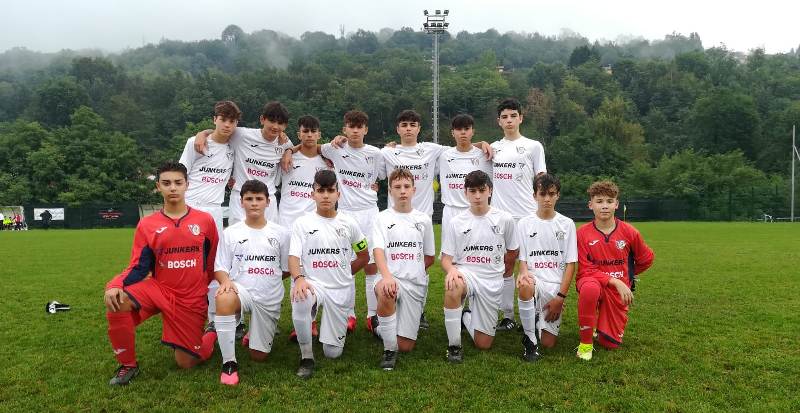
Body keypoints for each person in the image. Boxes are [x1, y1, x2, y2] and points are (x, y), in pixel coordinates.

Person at [103, 161, 219, 385]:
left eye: (178, 182)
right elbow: (138, 266)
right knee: (117, 301)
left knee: (187, 362)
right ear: (158, 187)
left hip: (190, 297)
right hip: (159, 289)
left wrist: (202, 292)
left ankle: (211, 332)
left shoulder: (205, 220)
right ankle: (128, 365)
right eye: (166, 183)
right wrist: (115, 284)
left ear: (187, 185)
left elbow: (212, 261)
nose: (173, 188)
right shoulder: (147, 224)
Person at [284, 110, 384, 334]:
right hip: (346, 212)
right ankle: (348, 314)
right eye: (351, 126)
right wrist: (290, 149)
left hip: (370, 213)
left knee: (370, 265)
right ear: (344, 129)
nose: (355, 131)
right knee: (344, 264)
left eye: (359, 127)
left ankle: (372, 316)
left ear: (366, 130)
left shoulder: (377, 154)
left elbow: (384, 175)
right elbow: (312, 145)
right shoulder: (335, 148)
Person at [289, 170, 369, 379]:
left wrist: (345, 273)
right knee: (301, 297)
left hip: (340, 290)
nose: (325, 195)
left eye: (330, 191)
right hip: (314, 284)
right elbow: (293, 257)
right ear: (312, 194)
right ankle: (306, 357)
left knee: (333, 353)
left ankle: (329, 330)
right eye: (321, 190)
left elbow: (364, 255)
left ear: (338, 194)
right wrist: (299, 279)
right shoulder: (302, 223)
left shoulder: (349, 223)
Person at [209, 179, 290, 385]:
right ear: (241, 201)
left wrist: (268, 278)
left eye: (259, 199)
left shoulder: (281, 233)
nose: (254, 203)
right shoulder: (230, 232)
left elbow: (286, 268)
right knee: (224, 297)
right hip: (240, 291)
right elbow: (220, 267)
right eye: (249, 198)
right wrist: (226, 281)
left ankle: (253, 333)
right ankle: (229, 363)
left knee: (259, 356)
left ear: (268, 202)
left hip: (269, 296)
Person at [440, 170, 519, 363]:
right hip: (466, 274)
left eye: (482, 190)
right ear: (465, 193)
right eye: (472, 191)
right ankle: (454, 346)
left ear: (490, 191)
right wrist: (452, 270)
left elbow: (513, 251)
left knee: (483, 344)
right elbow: (445, 259)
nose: (477, 196)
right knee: (453, 285)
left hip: (491, 281)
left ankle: (465, 316)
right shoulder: (456, 222)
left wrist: (503, 271)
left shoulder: (505, 219)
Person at [575, 180, 655, 361]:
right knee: (590, 289)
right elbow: (586, 269)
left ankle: (599, 326)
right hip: (591, 280)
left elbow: (647, 259)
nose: (604, 206)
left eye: (609, 201)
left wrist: (628, 276)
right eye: (599, 201)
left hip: (617, 290)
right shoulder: (582, 234)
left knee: (609, 343)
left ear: (616, 204)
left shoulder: (630, 232)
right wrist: (615, 281)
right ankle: (585, 344)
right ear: (590, 204)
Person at [178, 100, 238, 332]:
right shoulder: (195, 143)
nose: (227, 125)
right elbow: (180, 174)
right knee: (189, 263)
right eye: (223, 120)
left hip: (214, 211)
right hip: (190, 208)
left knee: (215, 264)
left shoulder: (233, 147)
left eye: (232, 121)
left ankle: (214, 317)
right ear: (215, 120)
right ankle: (186, 312)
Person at [490, 98, 547, 332]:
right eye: (504, 117)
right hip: (500, 217)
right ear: (499, 121)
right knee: (505, 265)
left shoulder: (533, 146)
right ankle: (507, 316)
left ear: (521, 118)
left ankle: (533, 314)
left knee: (531, 265)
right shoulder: (493, 148)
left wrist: (543, 211)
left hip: (527, 216)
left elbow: (541, 180)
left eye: (513, 116)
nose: (509, 120)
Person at [371, 169, 435, 370]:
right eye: (397, 187)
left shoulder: (423, 219)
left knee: (406, 346)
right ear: (390, 191)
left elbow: (429, 257)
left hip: (414, 284)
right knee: (386, 290)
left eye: (407, 186)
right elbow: (378, 251)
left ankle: (380, 327)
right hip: (389, 278)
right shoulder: (381, 218)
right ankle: (389, 351)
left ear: (414, 190)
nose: (402, 191)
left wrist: (412, 270)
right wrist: (387, 276)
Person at [194, 101, 293, 226]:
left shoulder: (284, 142)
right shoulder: (242, 135)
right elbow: (220, 131)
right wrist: (202, 134)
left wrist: (289, 151)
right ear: (262, 119)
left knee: (269, 237)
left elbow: (296, 147)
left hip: (268, 200)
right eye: (272, 121)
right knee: (237, 236)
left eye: (280, 123)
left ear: (285, 126)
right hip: (240, 197)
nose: (275, 126)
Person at [515, 173, 577, 362]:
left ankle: (534, 319)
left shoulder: (567, 224)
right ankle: (530, 341)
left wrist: (560, 297)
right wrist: (523, 273)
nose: (547, 199)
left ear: (558, 195)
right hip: (535, 283)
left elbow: (571, 264)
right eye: (542, 194)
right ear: (535, 195)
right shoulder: (524, 223)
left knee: (548, 343)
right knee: (525, 284)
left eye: (551, 194)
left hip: (555, 289)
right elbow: (523, 260)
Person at [437, 114, 493, 248]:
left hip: (476, 210)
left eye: (467, 129)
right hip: (451, 211)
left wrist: (482, 144)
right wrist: (394, 146)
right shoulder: (443, 155)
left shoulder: (484, 155)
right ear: (452, 133)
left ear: (473, 131)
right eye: (458, 129)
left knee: (476, 250)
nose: (463, 132)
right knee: (450, 253)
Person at [277, 115, 332, 229]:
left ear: (319, 135)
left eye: (313, 131)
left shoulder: (328, 163)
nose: (310, 135)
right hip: (286, 221)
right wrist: (289, 151)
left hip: (314, 223)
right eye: (305, 131)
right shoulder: (286, 158)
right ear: (299, 134)